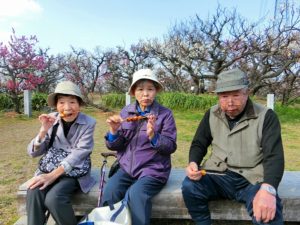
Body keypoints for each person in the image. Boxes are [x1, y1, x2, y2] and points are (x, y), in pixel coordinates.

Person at [181, 68, 284, 225]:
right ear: (218, 97)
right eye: (224, 96)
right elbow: (199, 143)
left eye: (236, 95)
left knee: (267, 213)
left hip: (252, 179)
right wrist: (193, 162)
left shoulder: (266, 116)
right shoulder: (212, 114)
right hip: (219, 175)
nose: (230, 102)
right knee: (190, 187)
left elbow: (274, 156)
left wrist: (268, 189)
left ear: (246, 93)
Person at [102, 68, 177, 225]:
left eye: (150, 89)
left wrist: (153, 136)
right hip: (127, 168)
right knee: (110, 191)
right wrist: (114, 131)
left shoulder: (165, 114)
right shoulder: (126, 112)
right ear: (133, 92)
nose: (145, 94)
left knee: (136, 194)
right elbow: (116, 145)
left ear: (156, 91)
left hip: (153, 170)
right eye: (140, 89)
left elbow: (170, 146)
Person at [26, 81, 96, 225]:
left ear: (79, 104)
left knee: (54, 198)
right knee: (33, 191)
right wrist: (43, 130)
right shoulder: (52, 119)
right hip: (49, 168)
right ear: (56, 105)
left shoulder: (89, 123)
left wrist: (52, 176)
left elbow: (80, 153)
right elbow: (33, 153)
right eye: (62, 102)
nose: (67, 107)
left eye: (72, 102)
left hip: (74, 172)